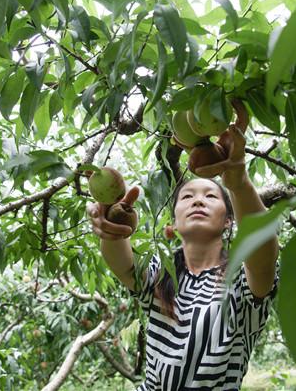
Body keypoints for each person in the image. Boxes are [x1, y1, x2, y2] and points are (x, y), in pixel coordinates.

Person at [86, 121, 279, 390]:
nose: (198, 200)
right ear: (174, 224)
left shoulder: (239, 279)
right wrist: (112, 230)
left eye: (211, 196)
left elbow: (263, 256)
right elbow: (122, 264)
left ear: (228, 220)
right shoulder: (161, 272)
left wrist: (239, 183)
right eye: (187, 197)